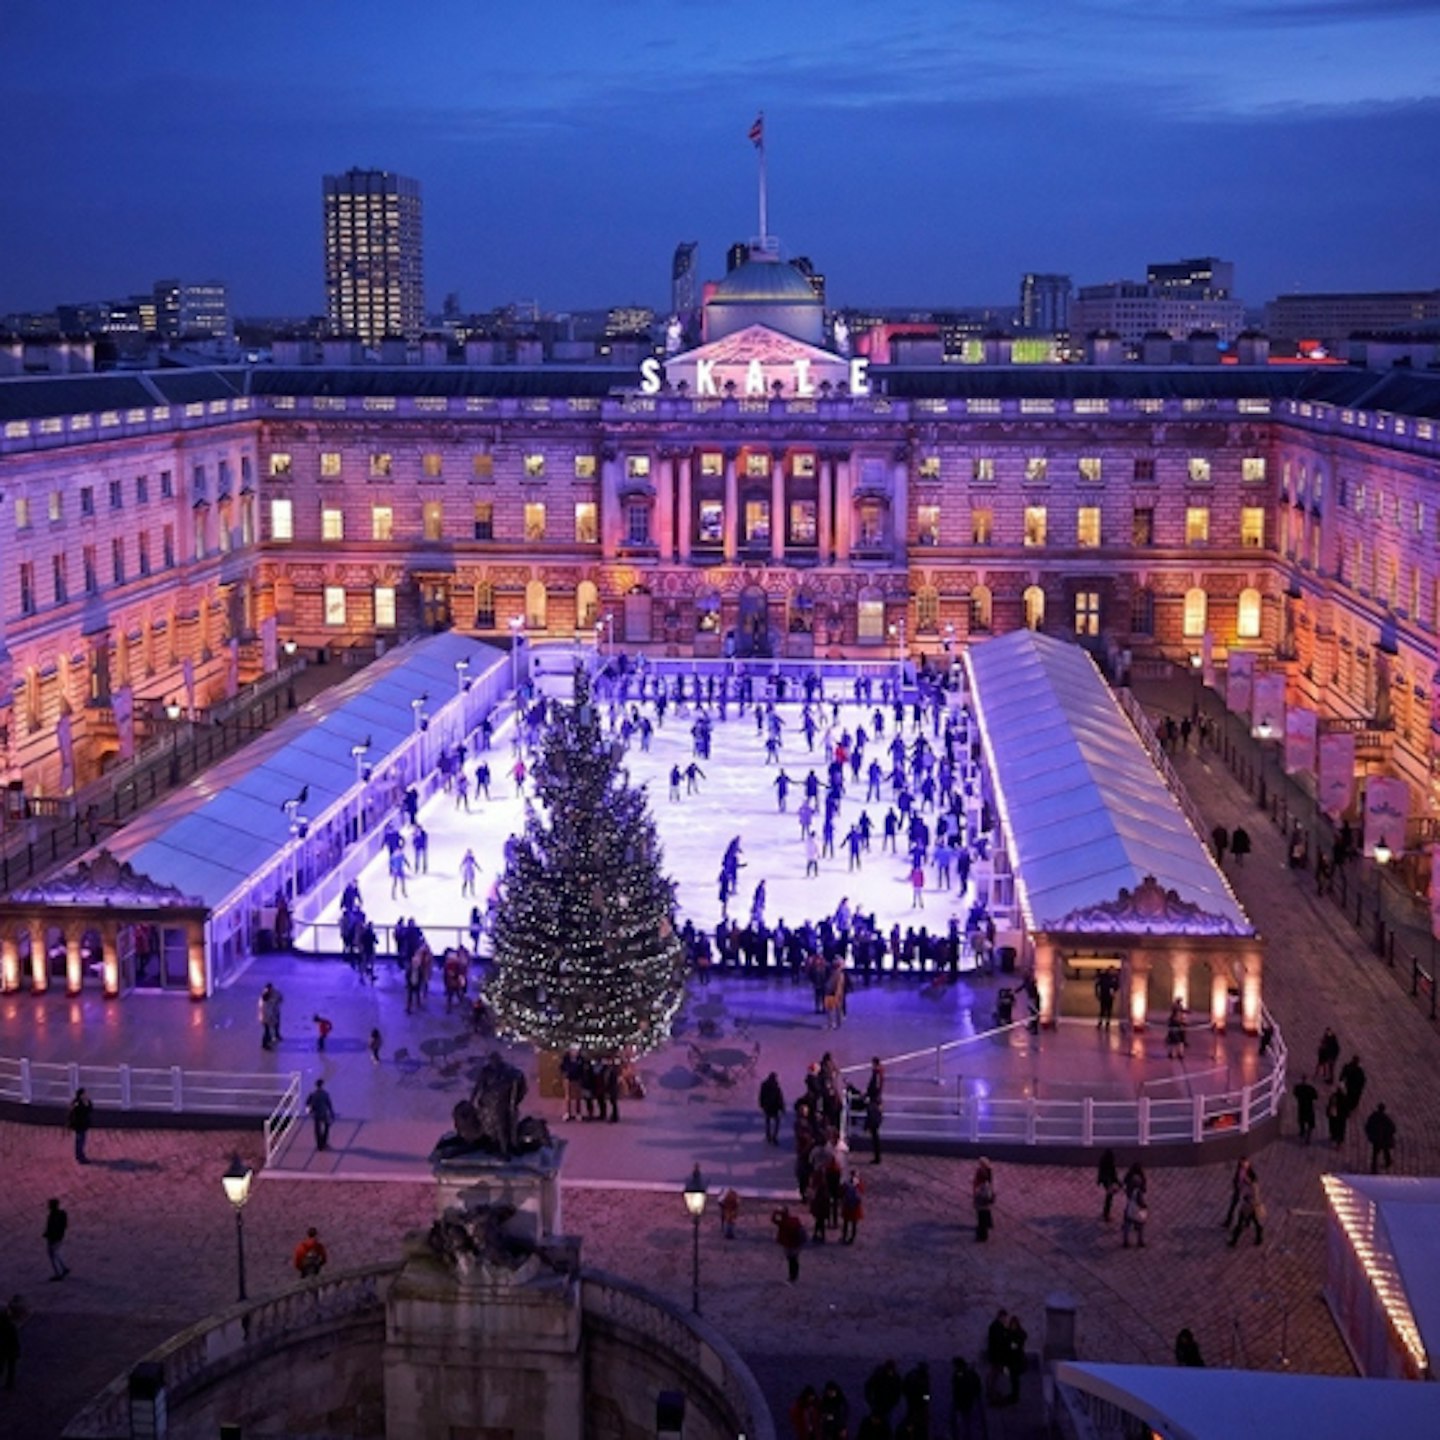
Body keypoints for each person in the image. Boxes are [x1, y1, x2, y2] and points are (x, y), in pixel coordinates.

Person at [1228, 1163, 1265, 1247]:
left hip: (1248, 1206)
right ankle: (1259, 1235)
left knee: (1240, 1222)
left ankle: (1234, 1241)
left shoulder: (1252, 1186)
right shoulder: (1251, 1184)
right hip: (1251, 1206)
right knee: (1255, 1220)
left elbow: (1250, 1196)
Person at [949, 1355, 983, 1438]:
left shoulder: (958, 1374)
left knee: (960, 1421)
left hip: (961, 1401)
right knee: (967, 1421)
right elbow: (978, 1387)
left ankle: (962, 1436)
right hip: (969, 1400)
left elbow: (957, 1388)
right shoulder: (971, 1373)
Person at [772, 1204, 806, 1283]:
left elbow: (773, 1220)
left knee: (791, 1260)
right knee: (794, 1260)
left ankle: (792, 1276)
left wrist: (776, 1212)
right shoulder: (795, 1220)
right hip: (797, 1243)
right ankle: (794, 1275)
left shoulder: (783, 1222)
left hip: (789, 1244)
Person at [985, 1309, 1010, 1405]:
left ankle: (992, 1392)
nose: (1005, 1320)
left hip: (997, 1355)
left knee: (995, 1374)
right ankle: (991, 1392)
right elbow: (1000, 1341)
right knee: (994, 1374)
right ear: (1001, 1317)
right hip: (997, 1355)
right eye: (1005, 1318)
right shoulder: (996, 1327)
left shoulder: (997, 1326)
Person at [1365, 1101, 1397, 1172]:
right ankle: (1387, 1162)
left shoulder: (1373, 1116)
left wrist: (1370, 1135)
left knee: (1375, 1154)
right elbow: (1393, 1128)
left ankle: (1374, 1168)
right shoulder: (1386, 1118)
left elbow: (1367, 1126)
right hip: (1383, 1138)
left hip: (1376, 1139)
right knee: (1385, 1150)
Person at [305, 1078, 336, 1152]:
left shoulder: (312, 1094)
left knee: (317, 1130)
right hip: (324, 1113)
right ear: (322, 1085)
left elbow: (307, 1103)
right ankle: (324, 1142)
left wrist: (309, 1111)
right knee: (326, 1128)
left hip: (316, 1114)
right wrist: (332, 1113)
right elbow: (329, 1104)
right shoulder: (325, 1094)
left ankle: (319, 1146)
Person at [1004, 1313, 1028, 1405]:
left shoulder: (1019, 1334)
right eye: (1012, 1324)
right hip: (1010, 1359)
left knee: (1015, 1378)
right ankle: (1013, 1394)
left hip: (1017, 1359)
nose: (1013, 1326)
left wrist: (1011, 1345)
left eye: (1015, 1324)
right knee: (1012, 1378)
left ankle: (1015, 1395)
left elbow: (1017, 1345)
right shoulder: (1010, 1333)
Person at [864, 1057, 884, 1163]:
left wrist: (868, 1095)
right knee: (874, 1131)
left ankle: (877, 1157)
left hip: (874, 1103)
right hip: (875, 1102)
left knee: (874, 1131)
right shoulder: (878, 1074)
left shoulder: (876, 1074)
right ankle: (877, 1156)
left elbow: (875, 1088)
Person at [43, 1198, 69, 1281]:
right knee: (56, 1253)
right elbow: (65, 1225)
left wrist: (47, 1234)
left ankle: (58, 1273)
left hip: (53, 1237)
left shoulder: (52, 1215)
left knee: (52, 1255)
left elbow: (50, 1227)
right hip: (59, 1236)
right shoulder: (62, 1214)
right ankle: (63, 1268)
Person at [67, 1087, 93, 1164]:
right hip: (79, 1125)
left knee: (82, 1141)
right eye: (84, 1094)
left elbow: (90, 1109)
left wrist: (87, 1104)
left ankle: (80, 1155)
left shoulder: (85, 1102)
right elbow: (77, 1113)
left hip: (83, 1125)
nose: (86, 1095)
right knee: (79, 1141)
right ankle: (79, 1156)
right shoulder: (77, 1103)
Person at [972, 1158, 996, 1242]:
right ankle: (988, 1224)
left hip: (982, 1201)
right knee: (986, 1214)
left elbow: (977, 1185)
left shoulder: (982, 1176)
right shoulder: (989, 1171)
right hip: (985, 1200)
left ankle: (982, 1236)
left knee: (981, 1218)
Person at [759, 1071, 786, 1145]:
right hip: (774, 1107)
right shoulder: (776, 1086)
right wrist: (782, 1108)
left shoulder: (764, 1085)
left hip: (767, 1107)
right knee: (776, 1122)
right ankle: (774, 1136)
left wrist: (762, 1105)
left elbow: (761, 1096)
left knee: (768, 1122)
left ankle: (768, 1136)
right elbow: (780, 1098)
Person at [0, 1296, 20, 1391]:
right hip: (12, 1350)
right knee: (11, 1368)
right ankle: (9, 1384)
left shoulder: (4, 1328)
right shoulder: (11, 1327)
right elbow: (15, 1340)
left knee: (2, 1366)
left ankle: (9, 1384)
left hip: (4, 1350)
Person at [1293, 1073, 1319, 1144]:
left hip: (1301, 1106)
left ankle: (1302, 1131)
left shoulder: (1298, 1087)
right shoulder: (1310, 1088)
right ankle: (1308, 1137)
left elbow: (1295, 1094)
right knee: (1310, 1123)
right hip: (1309, 1107)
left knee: (1301, 1120)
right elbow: (1316, 1097)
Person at [1097, 1148, 1121, 1222]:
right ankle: (1106, 1214)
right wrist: (1118, 1182)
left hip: (1105, 1181)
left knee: (1109, 1197)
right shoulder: (1110, 1163)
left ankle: (1106, 1213)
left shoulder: (1102, 1160)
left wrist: (1099, 1180)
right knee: (1109, 1198)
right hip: (1108, 1181)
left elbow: (1100, 1172)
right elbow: (1113, 1173)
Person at [840, 1172, 865, 1244]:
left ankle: (844, 1236)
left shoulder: (846, 1184)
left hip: (847, 1206)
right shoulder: (858, 1184)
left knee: (846, 1222)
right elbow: (862, 1191)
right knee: (854, 1223)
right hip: (856, 1208)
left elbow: (841, 1192)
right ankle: (852, 1238)